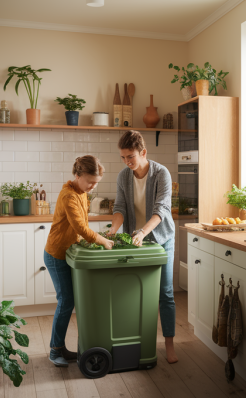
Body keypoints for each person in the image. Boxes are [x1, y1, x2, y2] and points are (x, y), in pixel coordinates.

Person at [107, 130, 178, 363]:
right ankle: (136, 340)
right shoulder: (123, 177)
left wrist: (142, 232)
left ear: (143, 152)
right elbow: (119, 208)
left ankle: (169, 344)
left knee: (164, 292)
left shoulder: (161, 174)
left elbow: (161, 210)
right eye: (123, 157)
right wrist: (112, 230)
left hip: (160, 239)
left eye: (131, 157)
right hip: (134, 241)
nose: (127, 162)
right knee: (135, 291)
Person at [44, 155, 114, 367]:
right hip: (56, 254)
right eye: (90, 181)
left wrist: (94, 240)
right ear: (77, 175)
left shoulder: (82, 192)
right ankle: (55, 350)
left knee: (71, 301)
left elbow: (83, 225)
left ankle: (61, 349)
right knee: (66, 301)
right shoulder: (69, 195)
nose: (93, 186)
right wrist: (102, 240)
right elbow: (80, 228)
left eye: (96, 182)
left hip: (70, 253)